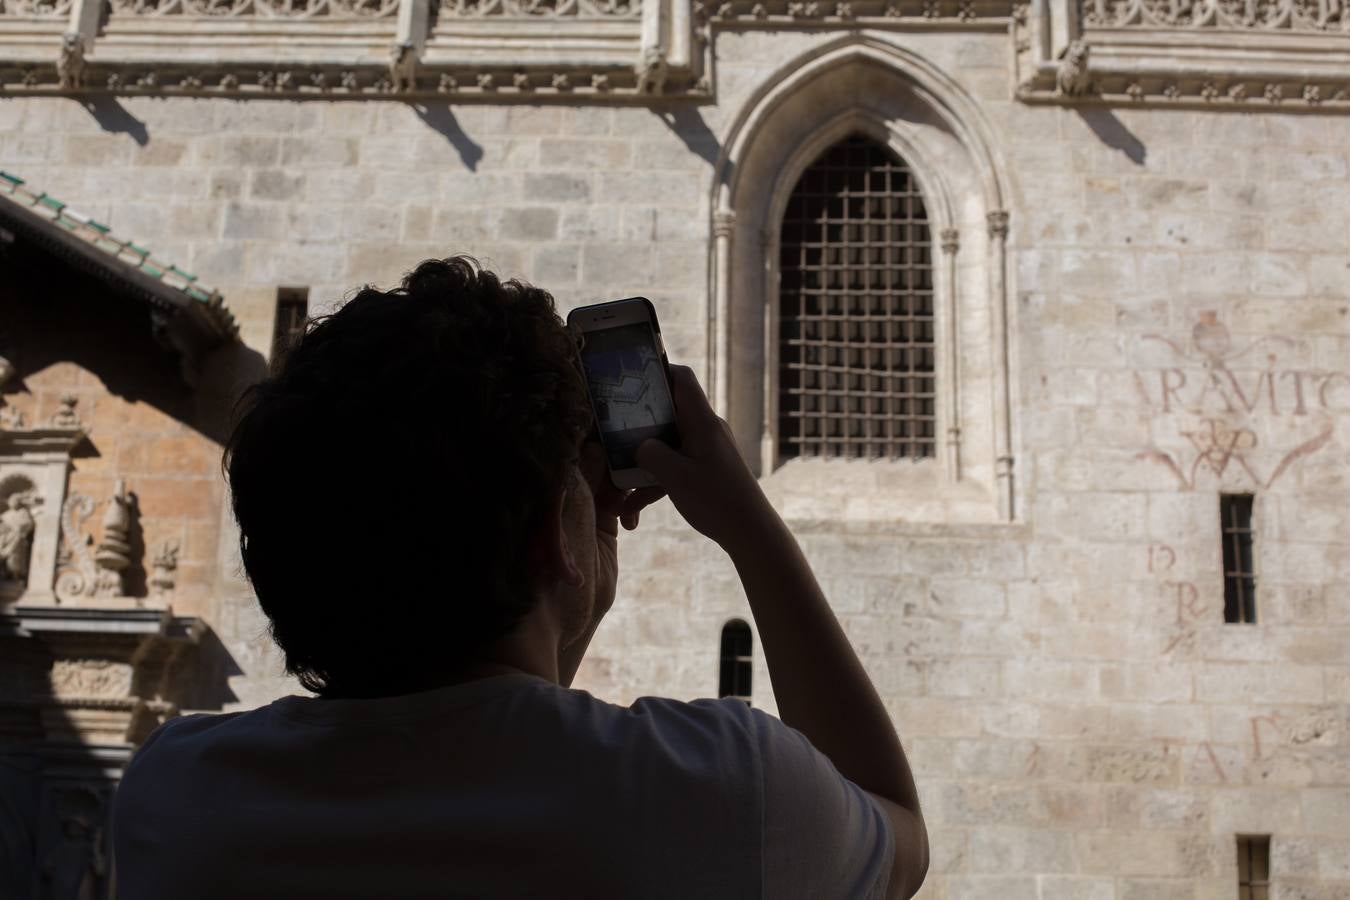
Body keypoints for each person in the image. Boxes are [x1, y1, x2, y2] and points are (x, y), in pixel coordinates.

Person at [111, 257, 928, 899]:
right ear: (554, 537)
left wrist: (567, 556)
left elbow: (488, 735)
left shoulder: (175, 798)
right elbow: (898, 835)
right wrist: (748, 525)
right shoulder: (719, 794)